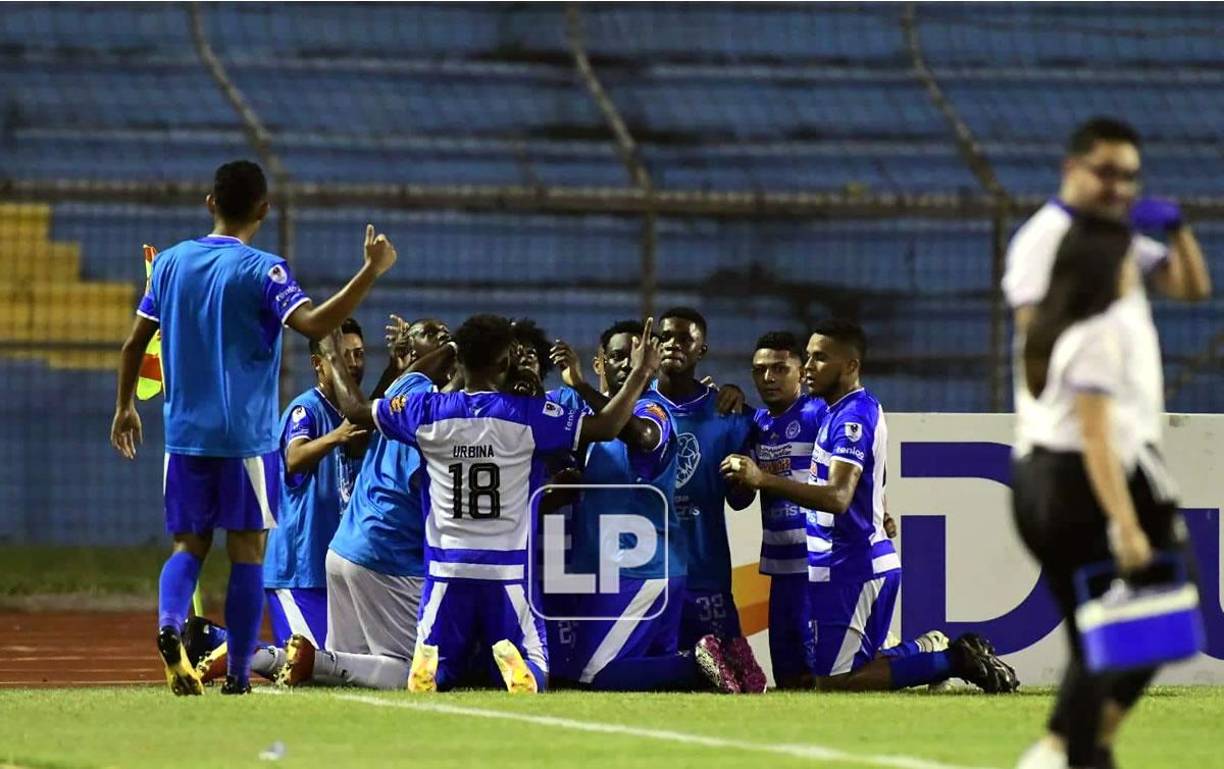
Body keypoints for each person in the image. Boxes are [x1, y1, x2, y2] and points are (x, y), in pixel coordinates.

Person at [109, 160, 396, 695]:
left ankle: (171, 627)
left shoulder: (169, 264)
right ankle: (238, 674)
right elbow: (313, 324)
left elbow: (132, 345)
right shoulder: (266, 270)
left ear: (208, 201)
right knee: (247, 552)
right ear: (264, 210)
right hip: (245, 440)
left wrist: (125, 406)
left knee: (187, 547)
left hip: (184, 437)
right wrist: (370, 272)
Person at [321, 314, 661, 692]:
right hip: (508, 573)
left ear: (459, 361)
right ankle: (523, 667)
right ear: (505, 364)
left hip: (446, 571)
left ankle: (432, 666)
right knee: (538, 667)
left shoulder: (426, 411)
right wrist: (642, 372)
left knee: (443, 665)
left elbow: (354, 410)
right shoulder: (529, 416)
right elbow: (609, 425)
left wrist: (334, 356)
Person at [722, 320, 1019, 693]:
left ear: (850, 365)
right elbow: (860, 479)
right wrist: (877, 505)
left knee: (832, 682)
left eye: (817, 359)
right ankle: (929, 648)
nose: (810, 366)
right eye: (809, 358)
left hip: (851, 564)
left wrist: (763, 478)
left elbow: (838, 496)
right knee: (820, 676)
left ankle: (951, 658)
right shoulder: (823, 413)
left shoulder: (846, 415)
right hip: (822, 565)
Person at [1012, 218, 1191, 769]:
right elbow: (1095, 436)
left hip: (1061, 480)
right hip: (1087, 485)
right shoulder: (1097, 334)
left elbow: (1193, 288)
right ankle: (1063, 749)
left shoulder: (1076, 327)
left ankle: (1080, 748)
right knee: (1147, 620)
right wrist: (1126, 523)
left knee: (1122, 631)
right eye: (1123, 261)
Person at [547, 321, 762, 693]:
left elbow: (640, 435)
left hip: (642, 571)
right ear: (601, 363)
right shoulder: (598, 425)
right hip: (619, 571)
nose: (626, 365)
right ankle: (719, 659)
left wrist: (588, 384)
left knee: (594, 675)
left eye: (635, 358)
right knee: (624, 672)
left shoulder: (653, 413)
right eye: (617, 357)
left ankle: (698, 663)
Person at [643, 307, 755, 647]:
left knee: (729, 673)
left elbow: (741, 500)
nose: (672, 345)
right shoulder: (632, 404)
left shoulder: (727, 414)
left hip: (705, 572)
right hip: (644, 571)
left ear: (701, 350)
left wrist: (742, 482)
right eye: (665, 337)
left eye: (684, 338)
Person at [263, 317, 367, 649]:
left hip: (338, 575)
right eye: (342, 356)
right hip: (299, 572)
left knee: (348, 667)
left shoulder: (353, 413)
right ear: (318, 364)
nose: (352, 364)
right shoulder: (305, 411)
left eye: (359, 355)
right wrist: (335, 437)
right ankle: (219, 642)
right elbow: (293, 457)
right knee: (314, 663)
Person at [744, 331, 827, 689]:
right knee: (789, 675)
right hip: (780, 565)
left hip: (817, 562)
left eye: (779, 368)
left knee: (820, 674)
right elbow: (740, 497)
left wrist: (880, 506)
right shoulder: (756, 424)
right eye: (760, 370)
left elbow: (859, 468)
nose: (768, 378)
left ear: (800, 372)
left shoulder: (818, 412)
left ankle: (922, 655)